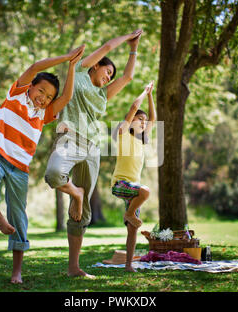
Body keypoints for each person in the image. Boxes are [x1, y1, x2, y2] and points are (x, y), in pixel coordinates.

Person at [0, 45, 85, 284]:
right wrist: (66, 56)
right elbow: (36, 67)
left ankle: (17, 272)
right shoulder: (15, 94)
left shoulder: (44, 115)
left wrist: (72, 67)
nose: (44, 98)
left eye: (49, 97)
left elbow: (66, 97)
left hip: (20, 169)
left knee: (18, 217)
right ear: (32, 86)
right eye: (42, 91)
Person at [44, 29, 143, 278]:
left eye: (111, 77)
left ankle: (74, 268)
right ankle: (74, 192)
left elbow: (129, 77)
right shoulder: (78, 73)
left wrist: (134, 49)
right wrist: (129, 37)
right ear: (96, 65)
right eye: (107, 72)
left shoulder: (103, 95)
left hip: (91, 148)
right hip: (68, 139)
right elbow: (108, 46)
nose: (109, 78)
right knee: (54, 173)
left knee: (84, 209)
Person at [110, 81, 156, 272]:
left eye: (143, 121)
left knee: (132, 229)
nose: (143, 122)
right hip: (120, 184)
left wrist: (151, 96)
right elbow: (133, 107)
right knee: (145, 191)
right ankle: (129, 214)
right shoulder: (123, 134)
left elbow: (153, 118)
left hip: (132, 189)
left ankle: (129, 265)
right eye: (139, 119)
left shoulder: (141, 141)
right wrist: (144, 92)